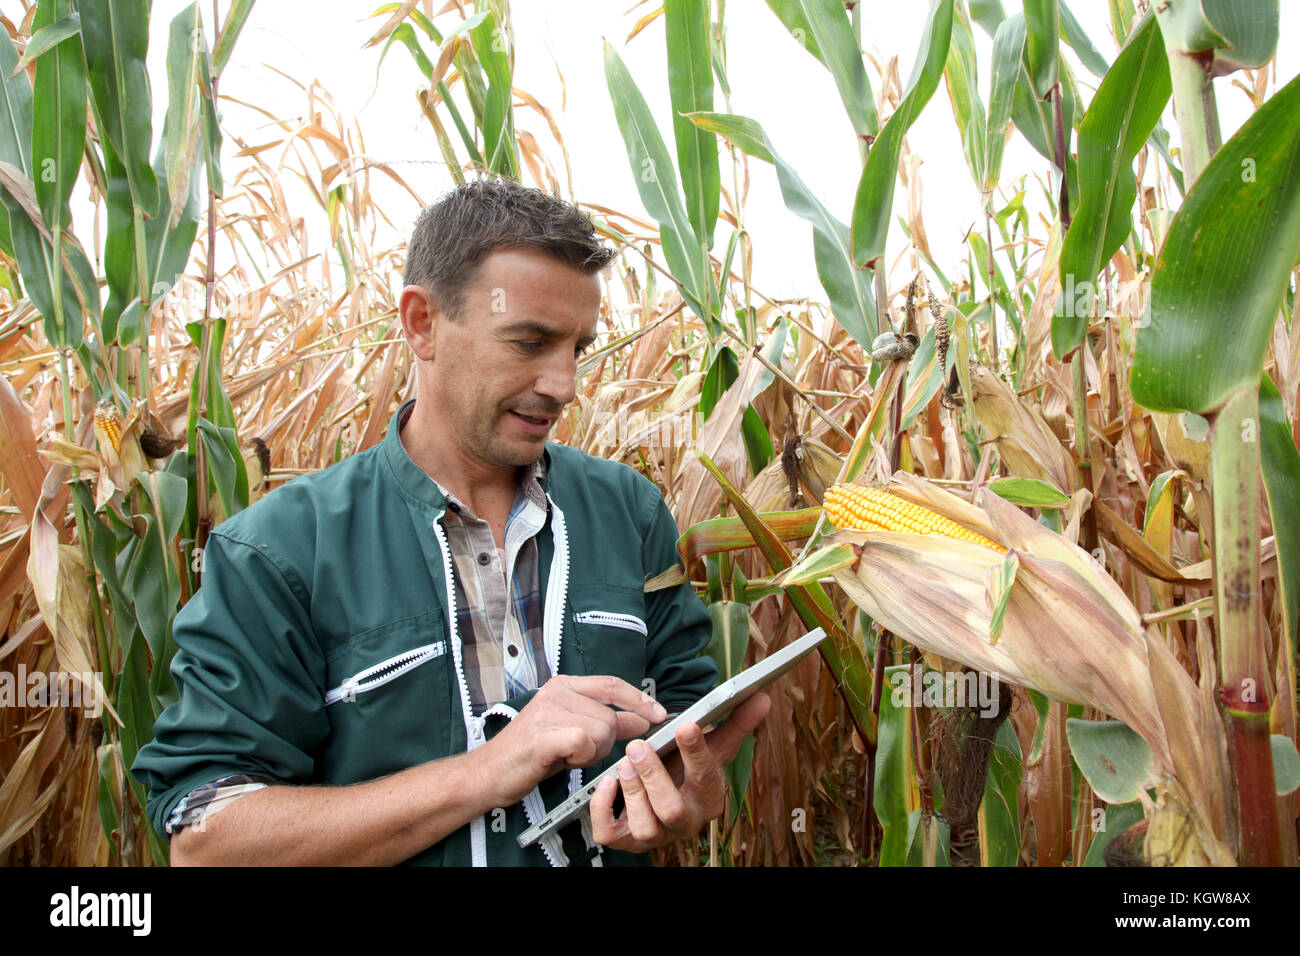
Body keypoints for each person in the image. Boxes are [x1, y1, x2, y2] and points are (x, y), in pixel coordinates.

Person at [131, 178, 770, 866]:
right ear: (421, 323)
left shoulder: (629, 512)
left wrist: (680, 798)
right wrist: (490, 770)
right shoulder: (282, 549)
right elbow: (206, 840)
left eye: (578, 348)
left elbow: (682, 731)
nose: (564, 385)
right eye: (530, 342)